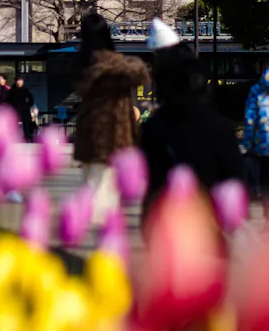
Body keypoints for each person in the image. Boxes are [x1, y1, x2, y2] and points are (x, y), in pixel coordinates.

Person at [142, 43, 244, 208]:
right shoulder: (220, 127)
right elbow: (234, 179)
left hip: (163, 217)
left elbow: (148, 176)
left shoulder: (154, 126)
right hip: (206, 216)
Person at [72, 11, 149, 218]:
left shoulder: (82, 63)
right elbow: (139, 73)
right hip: (116, 133)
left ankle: (83, 225)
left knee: (91, 183)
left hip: (90, 131)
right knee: (107, 194)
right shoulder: (118, 65)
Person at [243, 65, 269, 214]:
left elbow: (250, 119)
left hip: (261, 147)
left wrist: (247, 143)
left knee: (265, 186)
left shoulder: (256, 91)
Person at [8, 75, 37, 142]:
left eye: (20, 80)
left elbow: (31, 100)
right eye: (18, 80)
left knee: (26, 124)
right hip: (15, 110)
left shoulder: (25, 90)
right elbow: (9, 101)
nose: (19, 82)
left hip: (24, 110)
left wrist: (28, 104)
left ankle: (27, 137)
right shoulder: (12, 91)